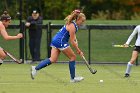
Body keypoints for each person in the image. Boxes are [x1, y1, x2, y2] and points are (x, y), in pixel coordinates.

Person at [31, 9, 86, 83]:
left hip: (55, 40)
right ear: (78, 19)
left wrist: (76, 43)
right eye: (82, 21)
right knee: (73, 57)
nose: (82, 23)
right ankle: (73, 78)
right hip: (60, 41)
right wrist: (78, 50)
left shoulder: (72, 24)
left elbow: (73, 38)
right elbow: (72, 41)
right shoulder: (72, 26)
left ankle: (36, 68)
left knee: (53, 59)